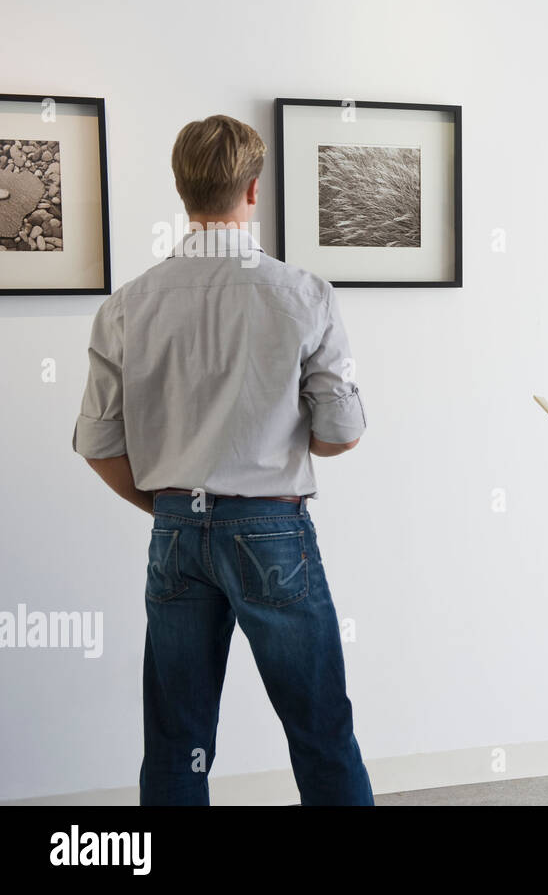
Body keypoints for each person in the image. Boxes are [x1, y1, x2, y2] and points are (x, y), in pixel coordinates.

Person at [72, 114, 372, 805]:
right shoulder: (302, 294)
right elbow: (340, 434)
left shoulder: (128, 304)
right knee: (320, 727)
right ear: (254, 190)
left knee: (178, 739)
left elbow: (98, 443)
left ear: (182, 190)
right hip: (273, 530)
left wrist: (174, 504)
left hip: (176, 530)